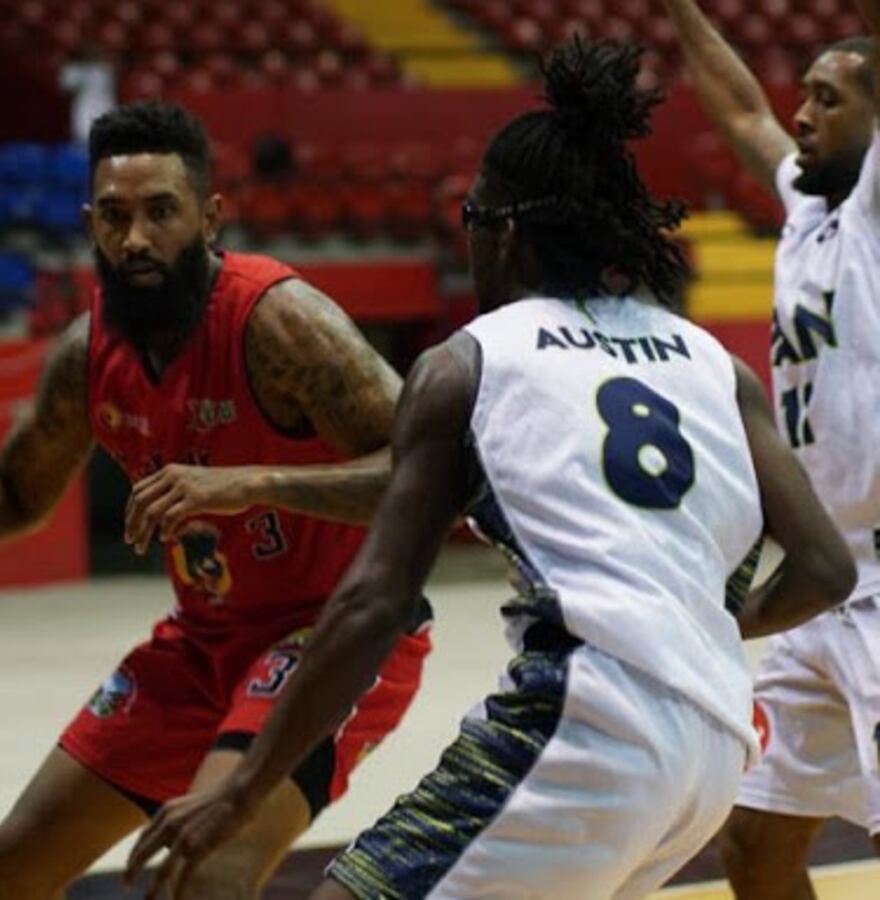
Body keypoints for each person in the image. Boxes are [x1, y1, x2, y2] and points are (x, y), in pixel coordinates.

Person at [125, 39, 857, 900]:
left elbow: (373, 603)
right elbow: (824, 567)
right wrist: (693, 634)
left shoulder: (468, 362)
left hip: (584, 729)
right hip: (713, 754)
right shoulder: (713, 365)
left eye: (473, 221)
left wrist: (239, 792)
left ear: (505, 231)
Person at [0, 102, 433, 900]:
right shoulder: (88, 356)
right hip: (203, 643)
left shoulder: (279, 323)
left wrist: (255, 483)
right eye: (115, 217)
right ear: (90, 224)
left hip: (334, 628)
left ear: (209, 218)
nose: (136, 240)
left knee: (203, 873)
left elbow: (426, 470)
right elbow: (16, 492)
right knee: (13, 865)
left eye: (161, 212)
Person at [664, 1, 880, 892]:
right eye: (808, 95)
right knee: (754, 844)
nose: (802, 114)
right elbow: (743, 108)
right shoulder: (806, 201)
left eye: (829, 100)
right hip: (824, 576)